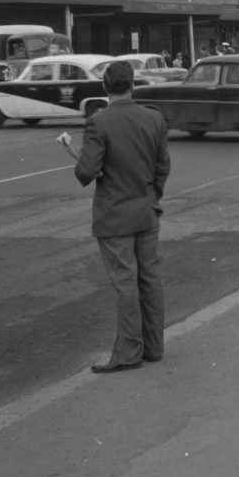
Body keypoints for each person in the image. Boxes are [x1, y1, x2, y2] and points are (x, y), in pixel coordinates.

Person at [71, 60, 171, 373]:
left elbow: (86, 171)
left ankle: (129, 353)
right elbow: (162, 166)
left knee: (125, 284)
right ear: (132, 85)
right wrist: (153, 194)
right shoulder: (153, 118)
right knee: (150, 280)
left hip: (114, 215)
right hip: (145, 210)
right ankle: (154, 347)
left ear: (105, 88)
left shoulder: (98, 122)